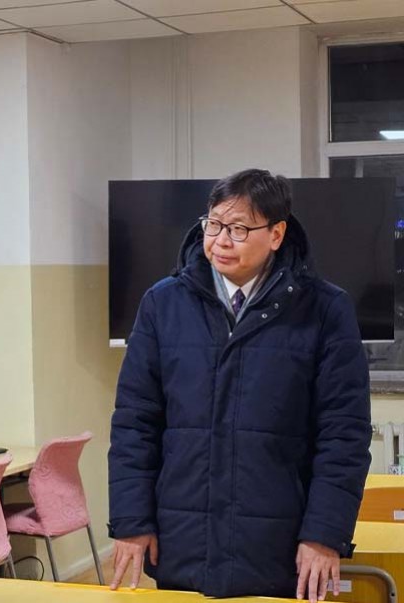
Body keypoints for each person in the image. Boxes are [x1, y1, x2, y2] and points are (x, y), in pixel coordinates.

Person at [107, 169, 372, 601]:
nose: (220, 241)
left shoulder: (325, 309)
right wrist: (132, 521)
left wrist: (325, 534)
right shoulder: (163, 303)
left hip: (279, 547)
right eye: (213, 225)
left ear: (276, 234)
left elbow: (343, 435)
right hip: (182, 539)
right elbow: (135, 424)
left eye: (238, 229)